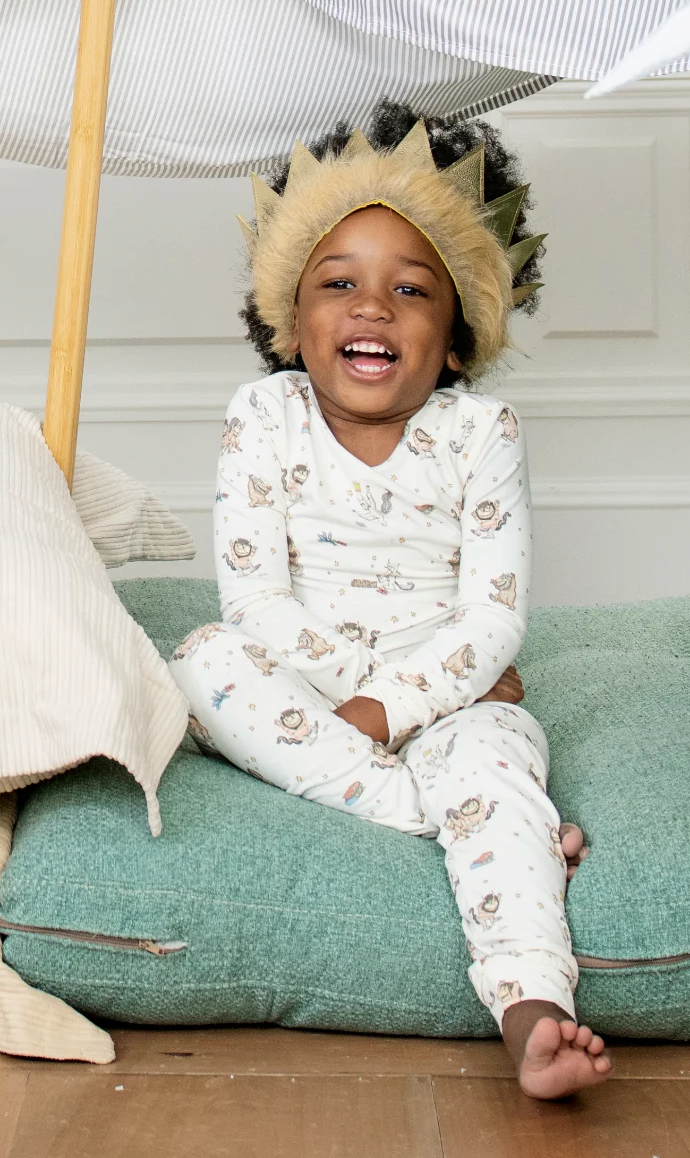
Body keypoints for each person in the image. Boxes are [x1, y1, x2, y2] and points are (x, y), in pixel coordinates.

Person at [170, 101, 610, 1099]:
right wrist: (366, 703)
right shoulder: (263, 417)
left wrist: (403, 705)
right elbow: (254, 602)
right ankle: (473, 823)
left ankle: (533, 1014)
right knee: (201, 661)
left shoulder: (482, 431)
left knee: (491, 753)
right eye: (340, 283)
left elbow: (492, 619)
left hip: (454, 699)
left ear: (455, 340)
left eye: (411, 289)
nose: (372, 307)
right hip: (313, 689)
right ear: (292, 324)